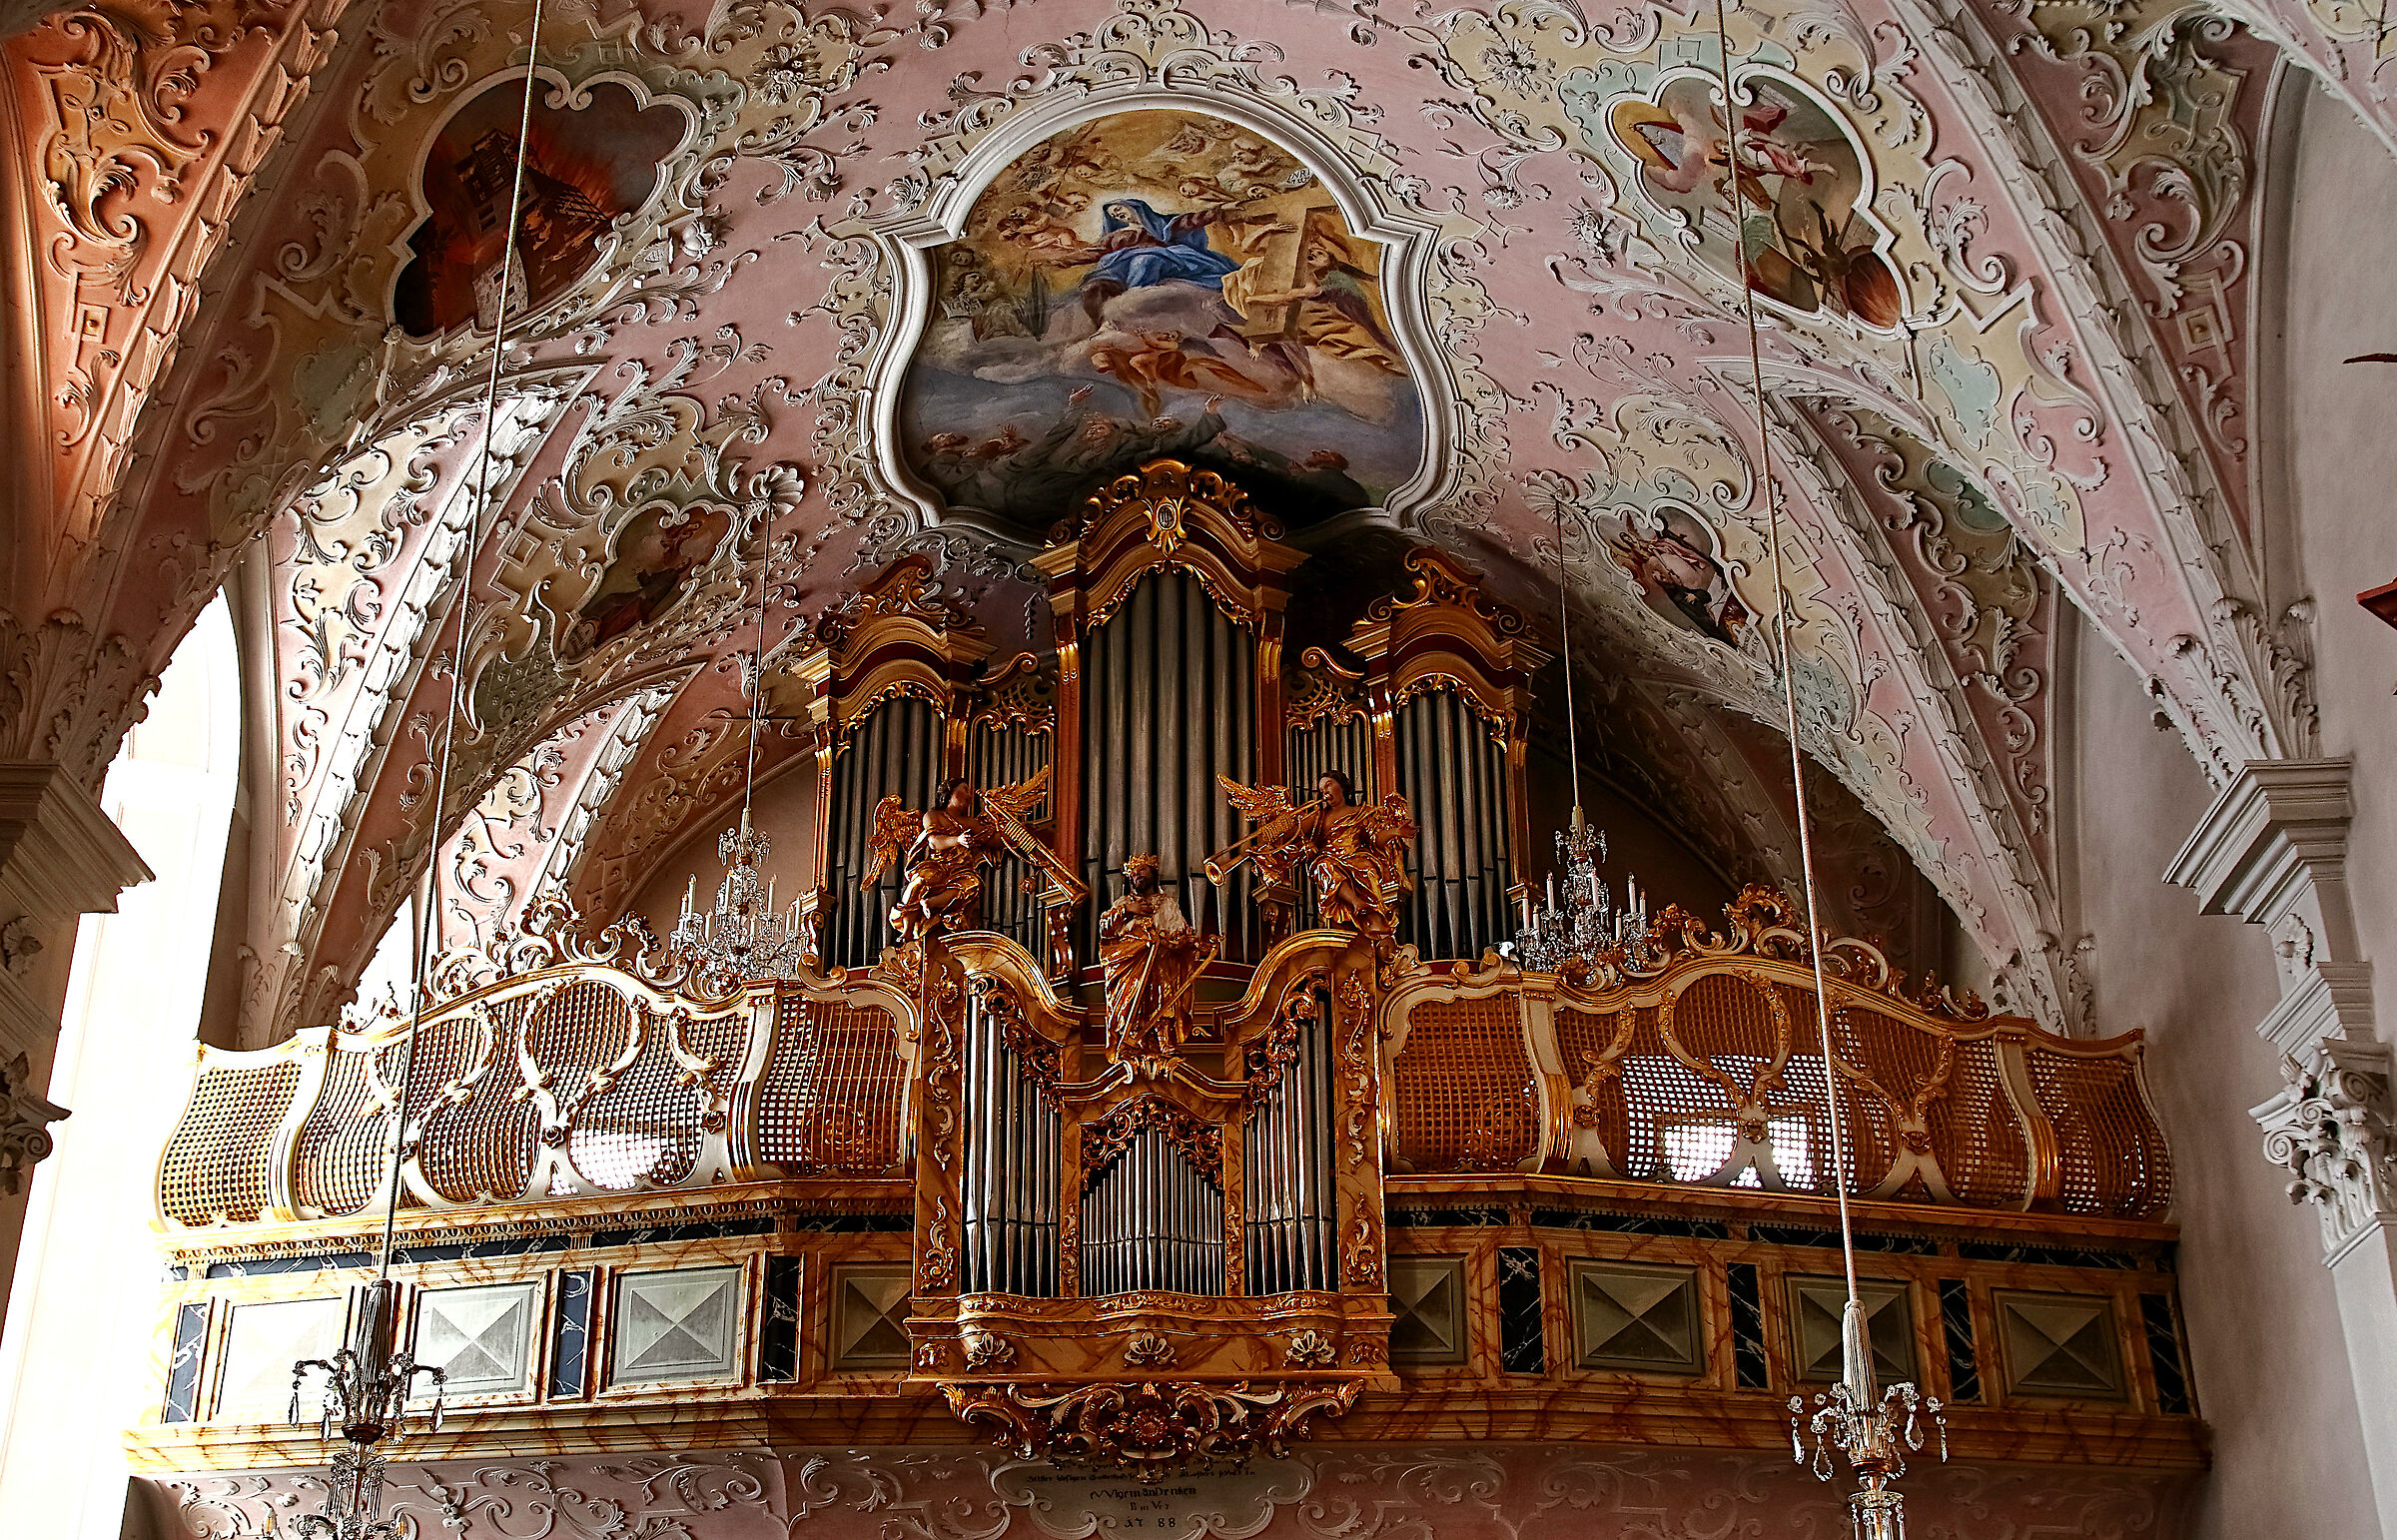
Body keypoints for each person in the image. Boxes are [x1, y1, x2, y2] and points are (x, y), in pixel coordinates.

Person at [1097, 854, 1216, 1065]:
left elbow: (1180, 932)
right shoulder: (1123, 902)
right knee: (1130, 999)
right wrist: (1127, 911)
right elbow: (1106, 930)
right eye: (1133, 874)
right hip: (1129, 962)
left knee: (1164, 997)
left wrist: (1195, 944)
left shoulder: (1166, 904)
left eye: (1142, 870)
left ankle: (1165, 1041)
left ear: (1153, 874)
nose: (1137, 876)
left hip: (1160, 962)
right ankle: (1127, 1040)